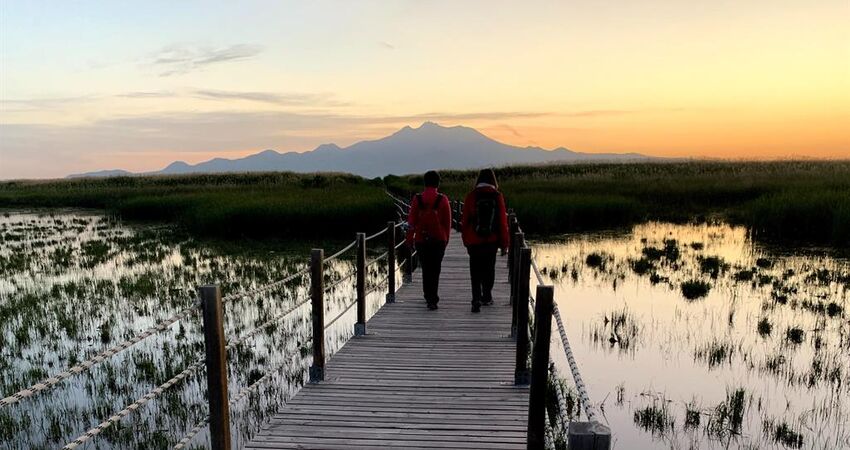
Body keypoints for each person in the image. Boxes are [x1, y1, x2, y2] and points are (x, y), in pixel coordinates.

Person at [461, 169, 509, 313]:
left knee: (475, 271)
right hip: (491, 240)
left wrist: (465, 239)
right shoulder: (497, 196)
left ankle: (475, 299)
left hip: (474, 240)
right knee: (489, 268)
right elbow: (502, 222)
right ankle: (486, 296)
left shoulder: (471, 196)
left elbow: (465, 221)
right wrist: (505, 243)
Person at [406, 170, 452, 310]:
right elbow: (447, 223)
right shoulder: (442, 199)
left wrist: (409, 240)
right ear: (438, 183)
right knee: (435, 269)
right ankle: (433, 298)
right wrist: (446, 240)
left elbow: (411, 222)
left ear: (424, 183)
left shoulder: (417, 199)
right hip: (438, 239)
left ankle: (428, 295)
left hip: (421, 239)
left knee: (426, 268)